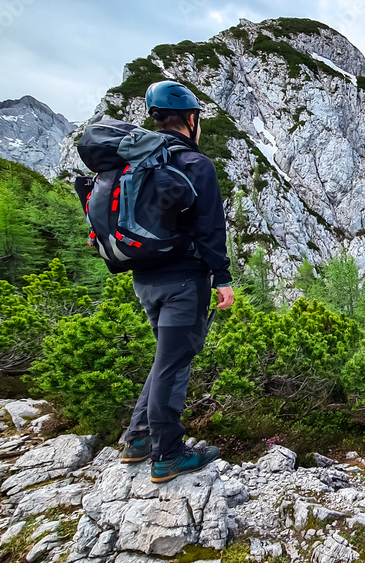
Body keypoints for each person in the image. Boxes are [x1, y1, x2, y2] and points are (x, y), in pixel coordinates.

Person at [118, 80, 235, 483]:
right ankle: (167, 454)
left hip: (143, 277)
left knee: (166, 357)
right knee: (176, 361)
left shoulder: (137, 162)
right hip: (184, 280)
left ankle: (137, 439)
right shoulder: (194, 164)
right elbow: (210, 227)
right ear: (190, 119)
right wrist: (222, 277)